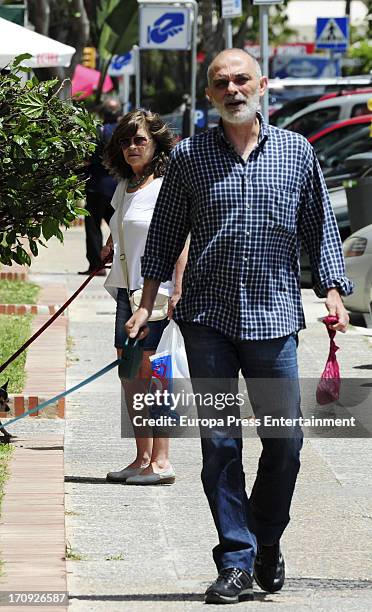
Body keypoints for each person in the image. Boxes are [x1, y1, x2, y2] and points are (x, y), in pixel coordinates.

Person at [124, 49, 353, 602]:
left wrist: (333, 293)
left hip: (274, 320)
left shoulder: (297, 152)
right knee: (220, 443)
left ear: (263, 85)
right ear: (209, 94)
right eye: (221, 82)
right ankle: (235, 557)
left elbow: (319, 228)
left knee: (286, 442)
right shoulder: (189, 157)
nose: (232, 89)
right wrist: (146, 301)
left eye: (241, 79)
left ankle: (265, 542)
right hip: (207, 320)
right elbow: (164, 237)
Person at [102, 109, 188, 485]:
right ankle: (141, 458)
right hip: (126, 290)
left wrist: (179, 289)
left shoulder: (166, 185)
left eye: (139, 140)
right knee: (130, 375)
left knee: (156, 376)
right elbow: (123, 226)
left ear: (156, 143)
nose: (132, 147)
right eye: (125, 141)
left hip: (157, 291)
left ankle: (162, 460)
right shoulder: (127, 186)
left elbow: (181, 241)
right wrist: (110, 244)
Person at [79, 97, 122, 276]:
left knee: (93, 226)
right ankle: (120, 262)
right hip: (118, 187)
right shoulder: (123, 133)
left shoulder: (98, 132)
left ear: (103, 113)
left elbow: (89, 157)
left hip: (97, 186)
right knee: (119, 226)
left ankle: (97, 265)